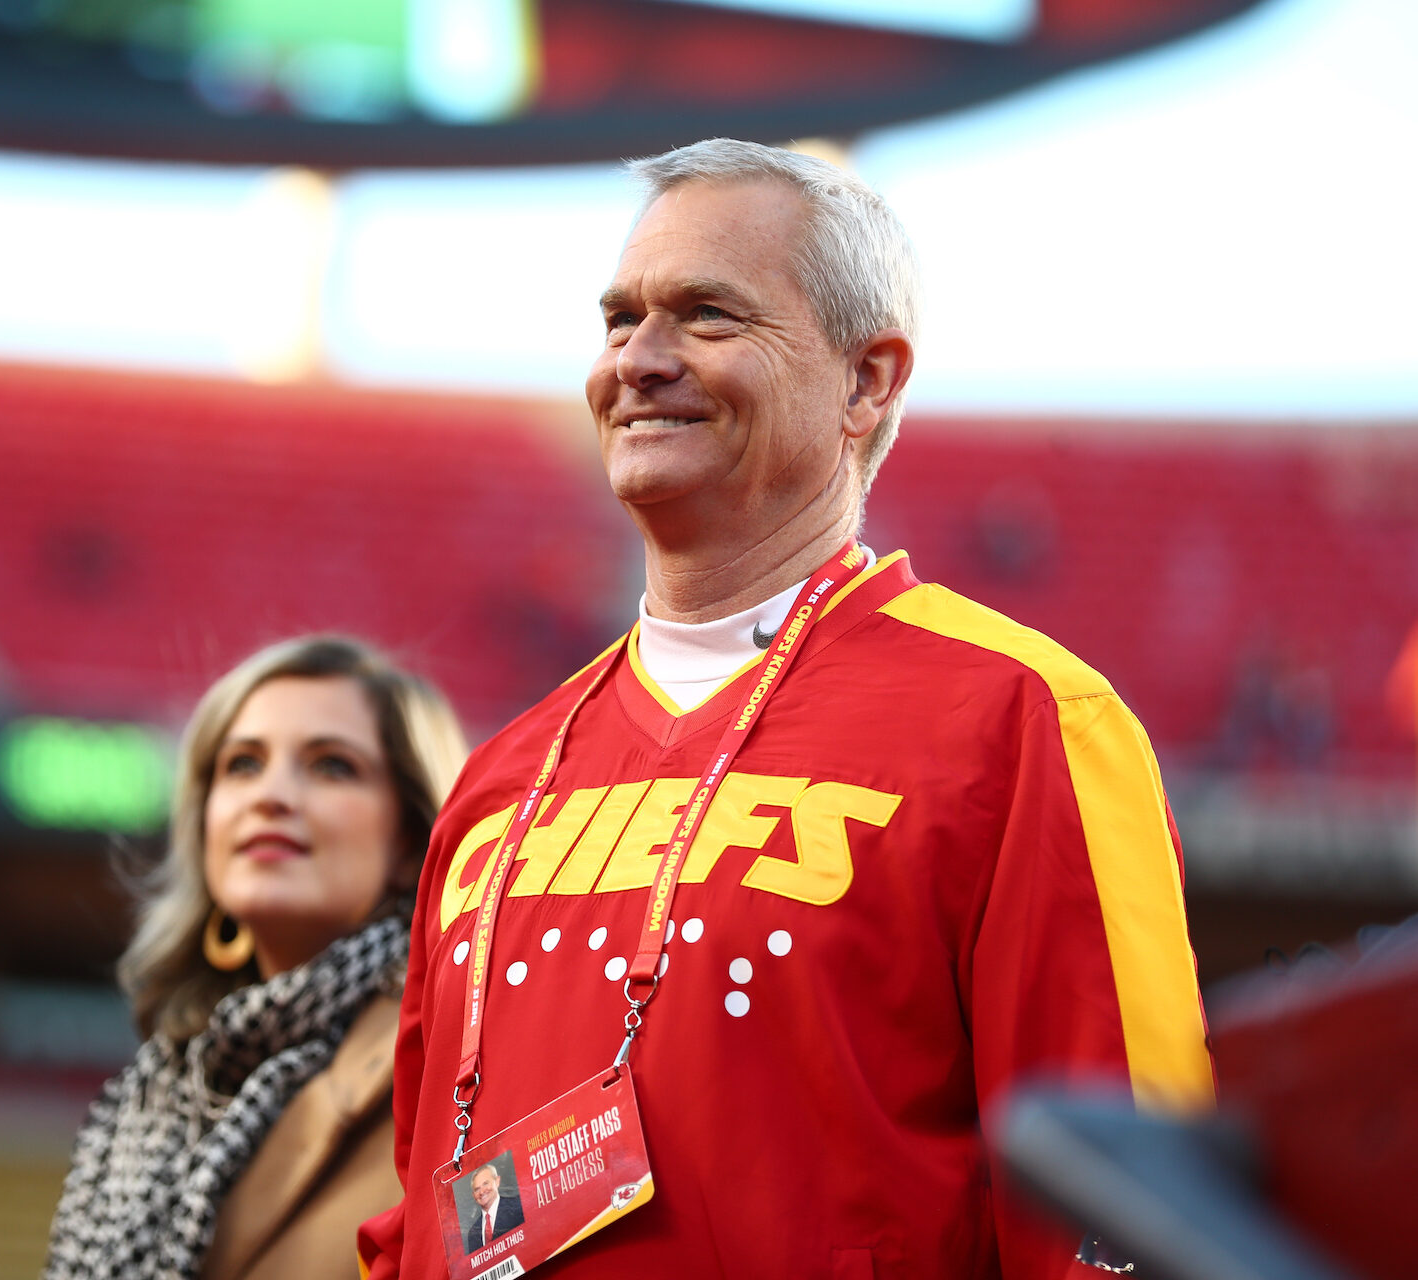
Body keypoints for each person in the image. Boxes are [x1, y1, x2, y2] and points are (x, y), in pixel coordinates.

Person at [357, 139, 1214, 1279]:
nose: (640, 360)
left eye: (707, 315)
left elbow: (1134, 1215)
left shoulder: (1022, 719)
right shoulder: (499, 780)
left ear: (868, 380)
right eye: (620, 321)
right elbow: (418, 1212)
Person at [44, 635, 468, 1280]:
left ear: (412, 839)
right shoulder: (153, 1097)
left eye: (332, 766)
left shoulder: (457, 1060)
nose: (270, 796)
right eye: (241, 764)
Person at [463, 1164, 524, 1253]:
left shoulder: (518, 1206)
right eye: (477, 1189)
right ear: (473, 1195)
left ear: (497, 1181)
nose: (482, 1192)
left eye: (485, 1184)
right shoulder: (473, 1233)